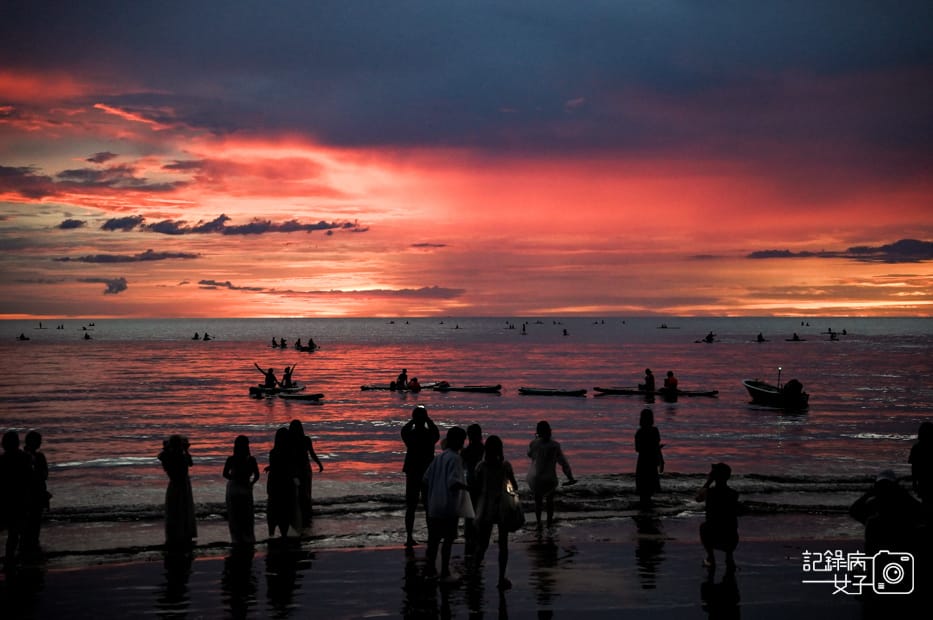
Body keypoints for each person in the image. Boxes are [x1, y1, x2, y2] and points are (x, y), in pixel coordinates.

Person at [423, 426, 469, 582]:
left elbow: (426, 479)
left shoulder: (439, 458)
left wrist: (430, 498)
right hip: (448, 507)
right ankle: (444, 572)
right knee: (448, 541)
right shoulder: (455, 458)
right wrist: (468, 488)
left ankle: (430, 571)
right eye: (462, 440)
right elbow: (453, 483)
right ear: (456, 441)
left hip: (434, 506)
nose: (463, 443)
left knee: (434, 541)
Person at [472, 435, 519, 590]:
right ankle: (501, 578)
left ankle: (474, 573)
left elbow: (476, 488)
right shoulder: (505, 466)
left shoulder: (481, 466)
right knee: (503, 544)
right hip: (502, 507)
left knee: (482, 544)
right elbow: (514, 486)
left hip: (486, 507)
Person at [850, 469, 923, 554]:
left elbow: (854, 510)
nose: (885, 489)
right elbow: (921, 511)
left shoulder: (875, 506)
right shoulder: (902, 505)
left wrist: (868, 494)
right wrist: (904, 493)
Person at [401, 405, 439, 547]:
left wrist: (413, 420)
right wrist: (428, 420)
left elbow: (404, 431)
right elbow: (436, 432)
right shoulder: (429, 435)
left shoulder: (411, 435)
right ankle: (430, 535)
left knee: (411, 506)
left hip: (413, 472)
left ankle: (409, 537)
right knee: (428, 506)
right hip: (425, 472)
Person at [526, 420, 575, 528]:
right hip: (550, 479)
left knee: (538, 502)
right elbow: (563, 463)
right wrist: (570, 477)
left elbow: (530, 455)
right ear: (549, 431)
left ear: (538, 432)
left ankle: (539, 523)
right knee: (550, 502)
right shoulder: (555, 445)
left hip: (537, 478)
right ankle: (549, 523)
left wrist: (535, 440)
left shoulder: (534, 444)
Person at [696, 462, 739, 573]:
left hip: (714, 535)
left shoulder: (709, 492)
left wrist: (708, 482)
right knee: (729, 524)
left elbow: (698, 498)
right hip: (731, 537)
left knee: (703, 527)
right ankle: (729, 557)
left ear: (714, 476)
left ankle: (711, 557)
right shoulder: (734, 494)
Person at [1, 430, 35, 566]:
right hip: (22, 499)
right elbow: (31, 478)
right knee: (21, 532)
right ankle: (19, 558)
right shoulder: (25, 457)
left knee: (13, 532)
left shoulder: (2, 460)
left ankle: (11, 558)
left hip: (8, 500)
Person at [158, 434, 197, 547]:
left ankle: (175, 533)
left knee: (174, 509)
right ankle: (183, 532)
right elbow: (190, 463)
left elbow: (161, 456)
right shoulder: (181, 456)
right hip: (182, 484)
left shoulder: (168, 456)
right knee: (183, 508)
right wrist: (186, 450)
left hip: (174, 484)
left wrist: (166, 448)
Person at [223, 435, 260, 545]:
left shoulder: (231, 459)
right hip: (246, 488)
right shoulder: (251, 460)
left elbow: (225, 474)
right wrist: (251, 483)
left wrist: (234, 478)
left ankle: (236, 539)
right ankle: (247, 538)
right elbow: (257, 475)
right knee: (247, 515)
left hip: (233, 488)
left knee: (234, 515)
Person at [266, 427, 300, 538]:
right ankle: (284, 537)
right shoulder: (291, 453)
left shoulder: (273, 452)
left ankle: (271, 536)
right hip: (286, 486)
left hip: (275, 485)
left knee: (273, 514)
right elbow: (291, 469)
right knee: (285, 515)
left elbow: (276, 468)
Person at [289, 419, 324, 526]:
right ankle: (306, 511)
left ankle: (301, 512)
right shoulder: (305, 439)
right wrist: (319, 464)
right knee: (306, 490)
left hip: (296, 469)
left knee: (298, 491)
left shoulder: (290, 441)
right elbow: (312, 453)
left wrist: (319, 464)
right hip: (304, 468)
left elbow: (285, 456)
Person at [23, 430, 50, 552]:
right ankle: (31, 546)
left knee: (32, 523)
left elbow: (45, 475)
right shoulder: (30, 457)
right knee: (33, 522)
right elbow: (44, 475)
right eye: (38, 441)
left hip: (33, 493)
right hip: (33, 494)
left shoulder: (37, 456)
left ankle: (31, 546)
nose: (39, 443)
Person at [461, 424, 485, 554]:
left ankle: (469, 536)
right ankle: (477, 535)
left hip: (470, 483)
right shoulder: (484, 449)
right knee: (480, 510)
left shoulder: (466, 451)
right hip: (482, 484)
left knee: (470, 512)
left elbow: (461, 467)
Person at [635, 408, 663, 507]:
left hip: (643, 461)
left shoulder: (639, 432)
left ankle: (645, 507)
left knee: (643, 488)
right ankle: (647, 507)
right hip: (651, 461)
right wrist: (661, 461)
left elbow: (637, 449)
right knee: (650, 487)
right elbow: (657, 447)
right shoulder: (655, 431)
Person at [909, 421, 933, 508]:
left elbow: (914, 467)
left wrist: (914, 482)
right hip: (924, 481)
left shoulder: (916, 447)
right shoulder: (916, 448)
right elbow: (914, 466)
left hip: (923, 481)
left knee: (926, 502)